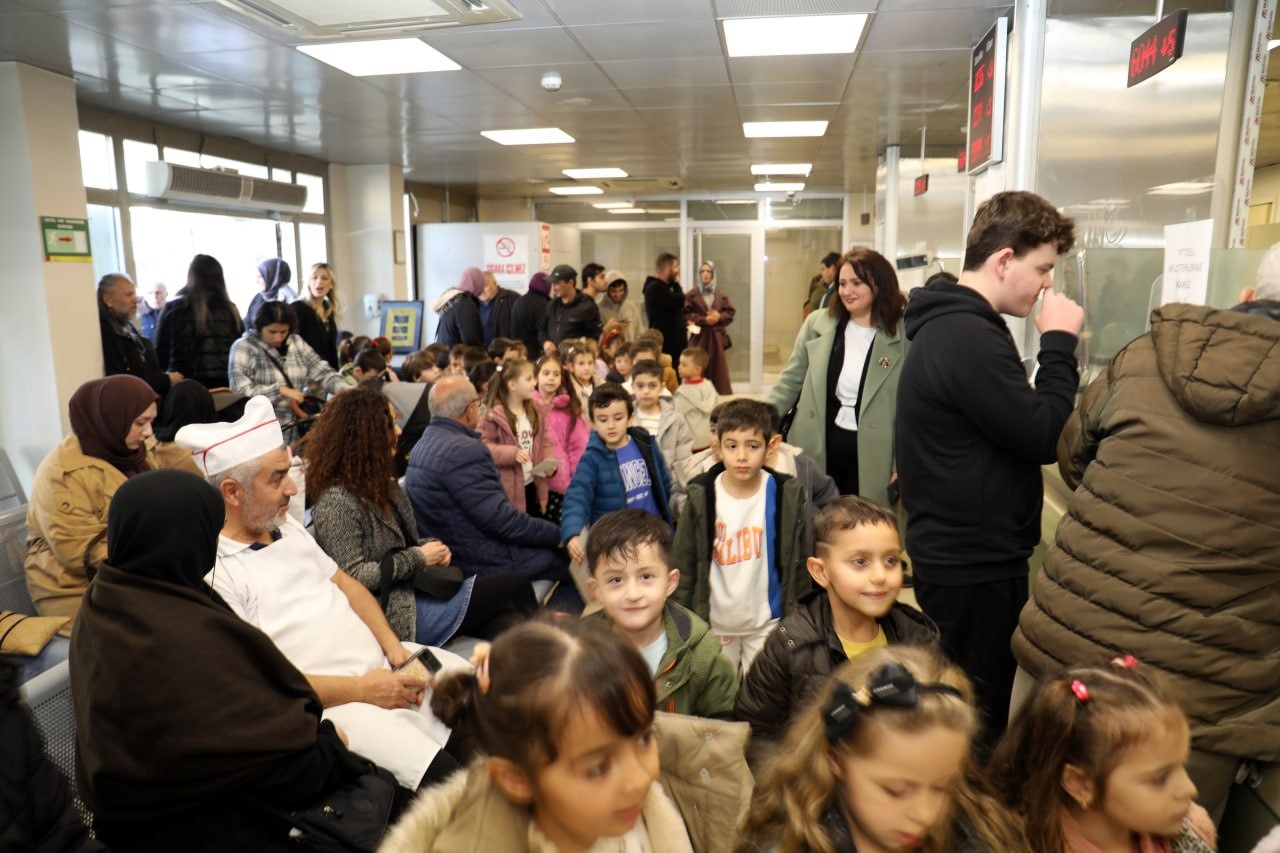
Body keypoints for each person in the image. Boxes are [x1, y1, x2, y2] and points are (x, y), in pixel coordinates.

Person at [1010, 295, 1280, 821]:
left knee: (1026, 816)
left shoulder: (1145, 354)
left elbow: (1073, 458)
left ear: (1248, 297)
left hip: (1064, 653)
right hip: (1196, 694)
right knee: (1158, 835)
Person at [70, 469, 374, 852]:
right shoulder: (177, 637)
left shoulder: (109, 601)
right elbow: (275, 771)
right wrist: (332, 749)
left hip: (136, 824)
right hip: (202, 828)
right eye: (208, 533)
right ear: (187, 539)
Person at [175, 397, 464, 791]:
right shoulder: (216, 575)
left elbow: (346, 584)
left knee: (480, 701)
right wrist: (365, 689)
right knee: (447, 778)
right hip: (340, 705)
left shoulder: (286, 529)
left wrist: (394, 648)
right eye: (277, 478)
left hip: (383, 669)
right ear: (232, 492)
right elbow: (265, 683)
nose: (293, 488)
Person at [895, 190, 1082, 748]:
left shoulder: (957, 325)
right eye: (1041, 268)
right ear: (1004, 260)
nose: (1046, 283)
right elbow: (1042, 433)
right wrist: (1058, 343)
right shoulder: (966, 334)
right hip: (971, 564)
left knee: (963, 707)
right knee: (975, 721)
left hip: (962, 555)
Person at [380, 618, 752, 853]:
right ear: (517, 779)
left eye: (642, 739)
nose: (641, 777)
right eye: (599, 767)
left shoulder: (626, 811)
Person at [736, 646, 1030, 853]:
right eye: (895, 790)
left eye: (942, 788)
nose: (925, 815)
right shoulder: (781, 845)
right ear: (835, 760)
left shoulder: (983, 837)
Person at [307, 387, 537, 648]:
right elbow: (353, 576)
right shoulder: (336, 502)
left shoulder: (380, 484)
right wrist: (420, 556)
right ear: (366, 436)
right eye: (390, 424)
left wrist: (432, 548)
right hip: (393, 613)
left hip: (418, 590)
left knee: (507, 624)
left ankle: (535, 664)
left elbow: (406, 543)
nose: (398, 431)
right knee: (515, 585)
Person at [735, 496, 939, 767]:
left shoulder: (918, 639)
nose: (880, 576)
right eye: (860, 562)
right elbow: (756, 732)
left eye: (891, 560)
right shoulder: (790, 644)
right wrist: (793, 778)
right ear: (820, 572)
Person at [990, 661, 1217, 852]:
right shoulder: (1018, 845)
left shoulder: (1189, 837)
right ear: (1080, 783)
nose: (1189, 789)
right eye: (1160, 778)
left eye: (1182, 765)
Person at [671, 399, 810, 676]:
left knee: (763, 690)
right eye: (732, 446)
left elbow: (800, 562)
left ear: (771, 447)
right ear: (717, 448)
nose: (742, 456)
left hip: (766, 622)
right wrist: (681, 623)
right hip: (715, 622)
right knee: (718, 690)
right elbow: (683, 565)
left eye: (753, 446)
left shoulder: (786, 494)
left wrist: (801, 617)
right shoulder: (701, 496)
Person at [766, 248, 907, 503]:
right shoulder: (817, 324)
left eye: (856, 283)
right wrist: (758, 421)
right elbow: (791, 380)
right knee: (816, 517)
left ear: (880, 284)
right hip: (818, 443)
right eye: (842, 283)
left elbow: (910, 406)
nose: (846, 291)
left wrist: (901, 463)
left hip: (876, 452)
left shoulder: (903, 335)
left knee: (863, 519)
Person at [404, 377, 569, 583]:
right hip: (480, 560)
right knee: (566, 560)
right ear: (470, 410)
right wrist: (558, 535)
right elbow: (502, 521)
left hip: (454, 552)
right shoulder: (465, 450)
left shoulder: (422, 445)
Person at [25, 375, 159, 619]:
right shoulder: (62, 473)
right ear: (111, 418)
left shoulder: (136, 454)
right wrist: (161, 551)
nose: (149, 432)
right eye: (141, 422)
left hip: (132, 577)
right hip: (76, 591)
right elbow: (79, 554)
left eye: (151, 421)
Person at [586, 509, 737, 720]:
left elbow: (724, 725)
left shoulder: (701, 653)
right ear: (596, 590)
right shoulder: (578, 651)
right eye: (616, 580)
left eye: (646, 576)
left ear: (670, 583)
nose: (633, 594)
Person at [562, 383, 675, 563]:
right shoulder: (592, 458)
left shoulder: (645, 444)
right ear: (592, 423)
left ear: (630, 418)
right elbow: (577, 496)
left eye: (618, 417)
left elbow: (664, 482)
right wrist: (572, 532)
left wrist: (673, 511)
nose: (611, 425)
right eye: (603, 419)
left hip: (654, 533)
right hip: (618, 542)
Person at [228, 301, 349, 443]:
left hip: (298, 434)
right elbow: (239, 393)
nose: (278, 337)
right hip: (262, 436)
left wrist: (350, 391)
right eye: (272, 332)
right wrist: (279, 391)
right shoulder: (243, 347)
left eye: (283, 332)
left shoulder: (296, 342)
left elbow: (323, 372)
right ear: (259, 327)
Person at [154, 253, 245, 389]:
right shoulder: (230, 310)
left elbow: (160, 353)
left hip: (184, 384)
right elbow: (239, 349)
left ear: (191, 276)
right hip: (224, 386)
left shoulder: (173, 308)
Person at [479, 357, 555, 515]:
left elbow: (545, 440)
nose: (534, 383)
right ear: (512, 385)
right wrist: (511, 453)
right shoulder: (493, 416)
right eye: (529, 379)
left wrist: (549, 461)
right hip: (508, 490)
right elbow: (483, 447)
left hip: (533, 484)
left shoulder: (535, 411)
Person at [97, 272, 182, 396]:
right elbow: (126, 382)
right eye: (129, 295)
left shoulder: (126, 327)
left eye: (134, 293)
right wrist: (167, 380)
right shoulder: (106, 334)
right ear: (108, 300)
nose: (136, 300)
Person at [631, 359, 694, 495]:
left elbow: (684, 461)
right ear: (632, 387)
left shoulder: (676, 420)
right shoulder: (626, 419)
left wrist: (679, 490)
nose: (646, 391)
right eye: (640, 386)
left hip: (669, 487)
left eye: (652, 386)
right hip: (636, 489)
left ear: (662, 387)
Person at [536, 353, 587, 522]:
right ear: (536, 377)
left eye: (556, 374)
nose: (551, 378)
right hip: (532, 480)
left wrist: (577, 480)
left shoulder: (568, 409)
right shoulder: (527, 406)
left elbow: (578, 446)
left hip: (561, 483)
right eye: (546, 373)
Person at [685, 260, 736, 394]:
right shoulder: (691, 295)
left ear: (713, 274)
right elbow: (685, 315)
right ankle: (696, 395)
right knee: (697, 366)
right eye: (702, 271)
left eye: (708, 271)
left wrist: (719, 317)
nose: (705, 274)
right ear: (698, 274)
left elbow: (730, 313)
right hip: (698, 338)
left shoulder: (721, 295)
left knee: (717, 369)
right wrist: (703, 320)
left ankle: (718, 398)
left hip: (716, 338)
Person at [292, 262, 341, 369]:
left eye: (324, 278)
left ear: (331, 284)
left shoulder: (328, 309)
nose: (319, 282)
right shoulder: (297, 308)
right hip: (306, 371)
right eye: (314, 278)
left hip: (327, 371)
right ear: (308, 283)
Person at [543, 265, 602, 354]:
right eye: (553, 284)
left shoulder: (586, 306)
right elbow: (542, 328)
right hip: (553, 357)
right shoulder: (552, 305)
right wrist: (545, 342)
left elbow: (594, 336)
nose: (554, 288)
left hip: (575, 358)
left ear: (570, 283)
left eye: (557, 283)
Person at [643, 252, 685, 363]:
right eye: (675, 267)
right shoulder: (655, 288)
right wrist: (676, 283)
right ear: (667, 268)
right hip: (666, 346)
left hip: (673, 347)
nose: (677, 271)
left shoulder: (665, 288)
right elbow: (680, 301)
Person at [674, 346, 718, 450]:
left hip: (691, 444)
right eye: (679, 364)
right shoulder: (709, 386)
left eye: (684, 365)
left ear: (697, 369)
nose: (679, 367)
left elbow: (675, 418)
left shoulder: (682, 394)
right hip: (708, 440)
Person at [434, 267, 485, 348]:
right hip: (456, 354)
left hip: (445, 351)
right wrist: (483, 350)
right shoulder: (465, 304)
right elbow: (469, 339)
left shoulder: (453, 299)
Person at [243, 257, 296, 329]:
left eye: (260, 277)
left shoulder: (289, 299)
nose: (256, 281)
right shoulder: (258, 297)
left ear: (272, 276)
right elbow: (247, 323)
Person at [511, 270, 552, 356]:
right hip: (535, 351)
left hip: (517, 349)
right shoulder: (544, 303)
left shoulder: (519, 300)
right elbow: (542, 329)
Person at [598, 270, 644, 343]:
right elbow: (596, 338)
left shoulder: (631, 307)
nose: (618, 295)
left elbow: (640, 332)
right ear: (607, 290)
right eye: (613, 291)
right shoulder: (598, 309)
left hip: (630, 348)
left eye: (621, 290)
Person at [478, 271, 519, 345]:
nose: (481, 290)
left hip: (505, 348)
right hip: (482, 349)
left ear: (494, 284)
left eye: (485, 286)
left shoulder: (511, 298)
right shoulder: (473, 302)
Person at [805, 250, 841, 316]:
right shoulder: (831, 290)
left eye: (823, 269)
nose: (822, 273)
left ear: (832, 269)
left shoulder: (834, 293)